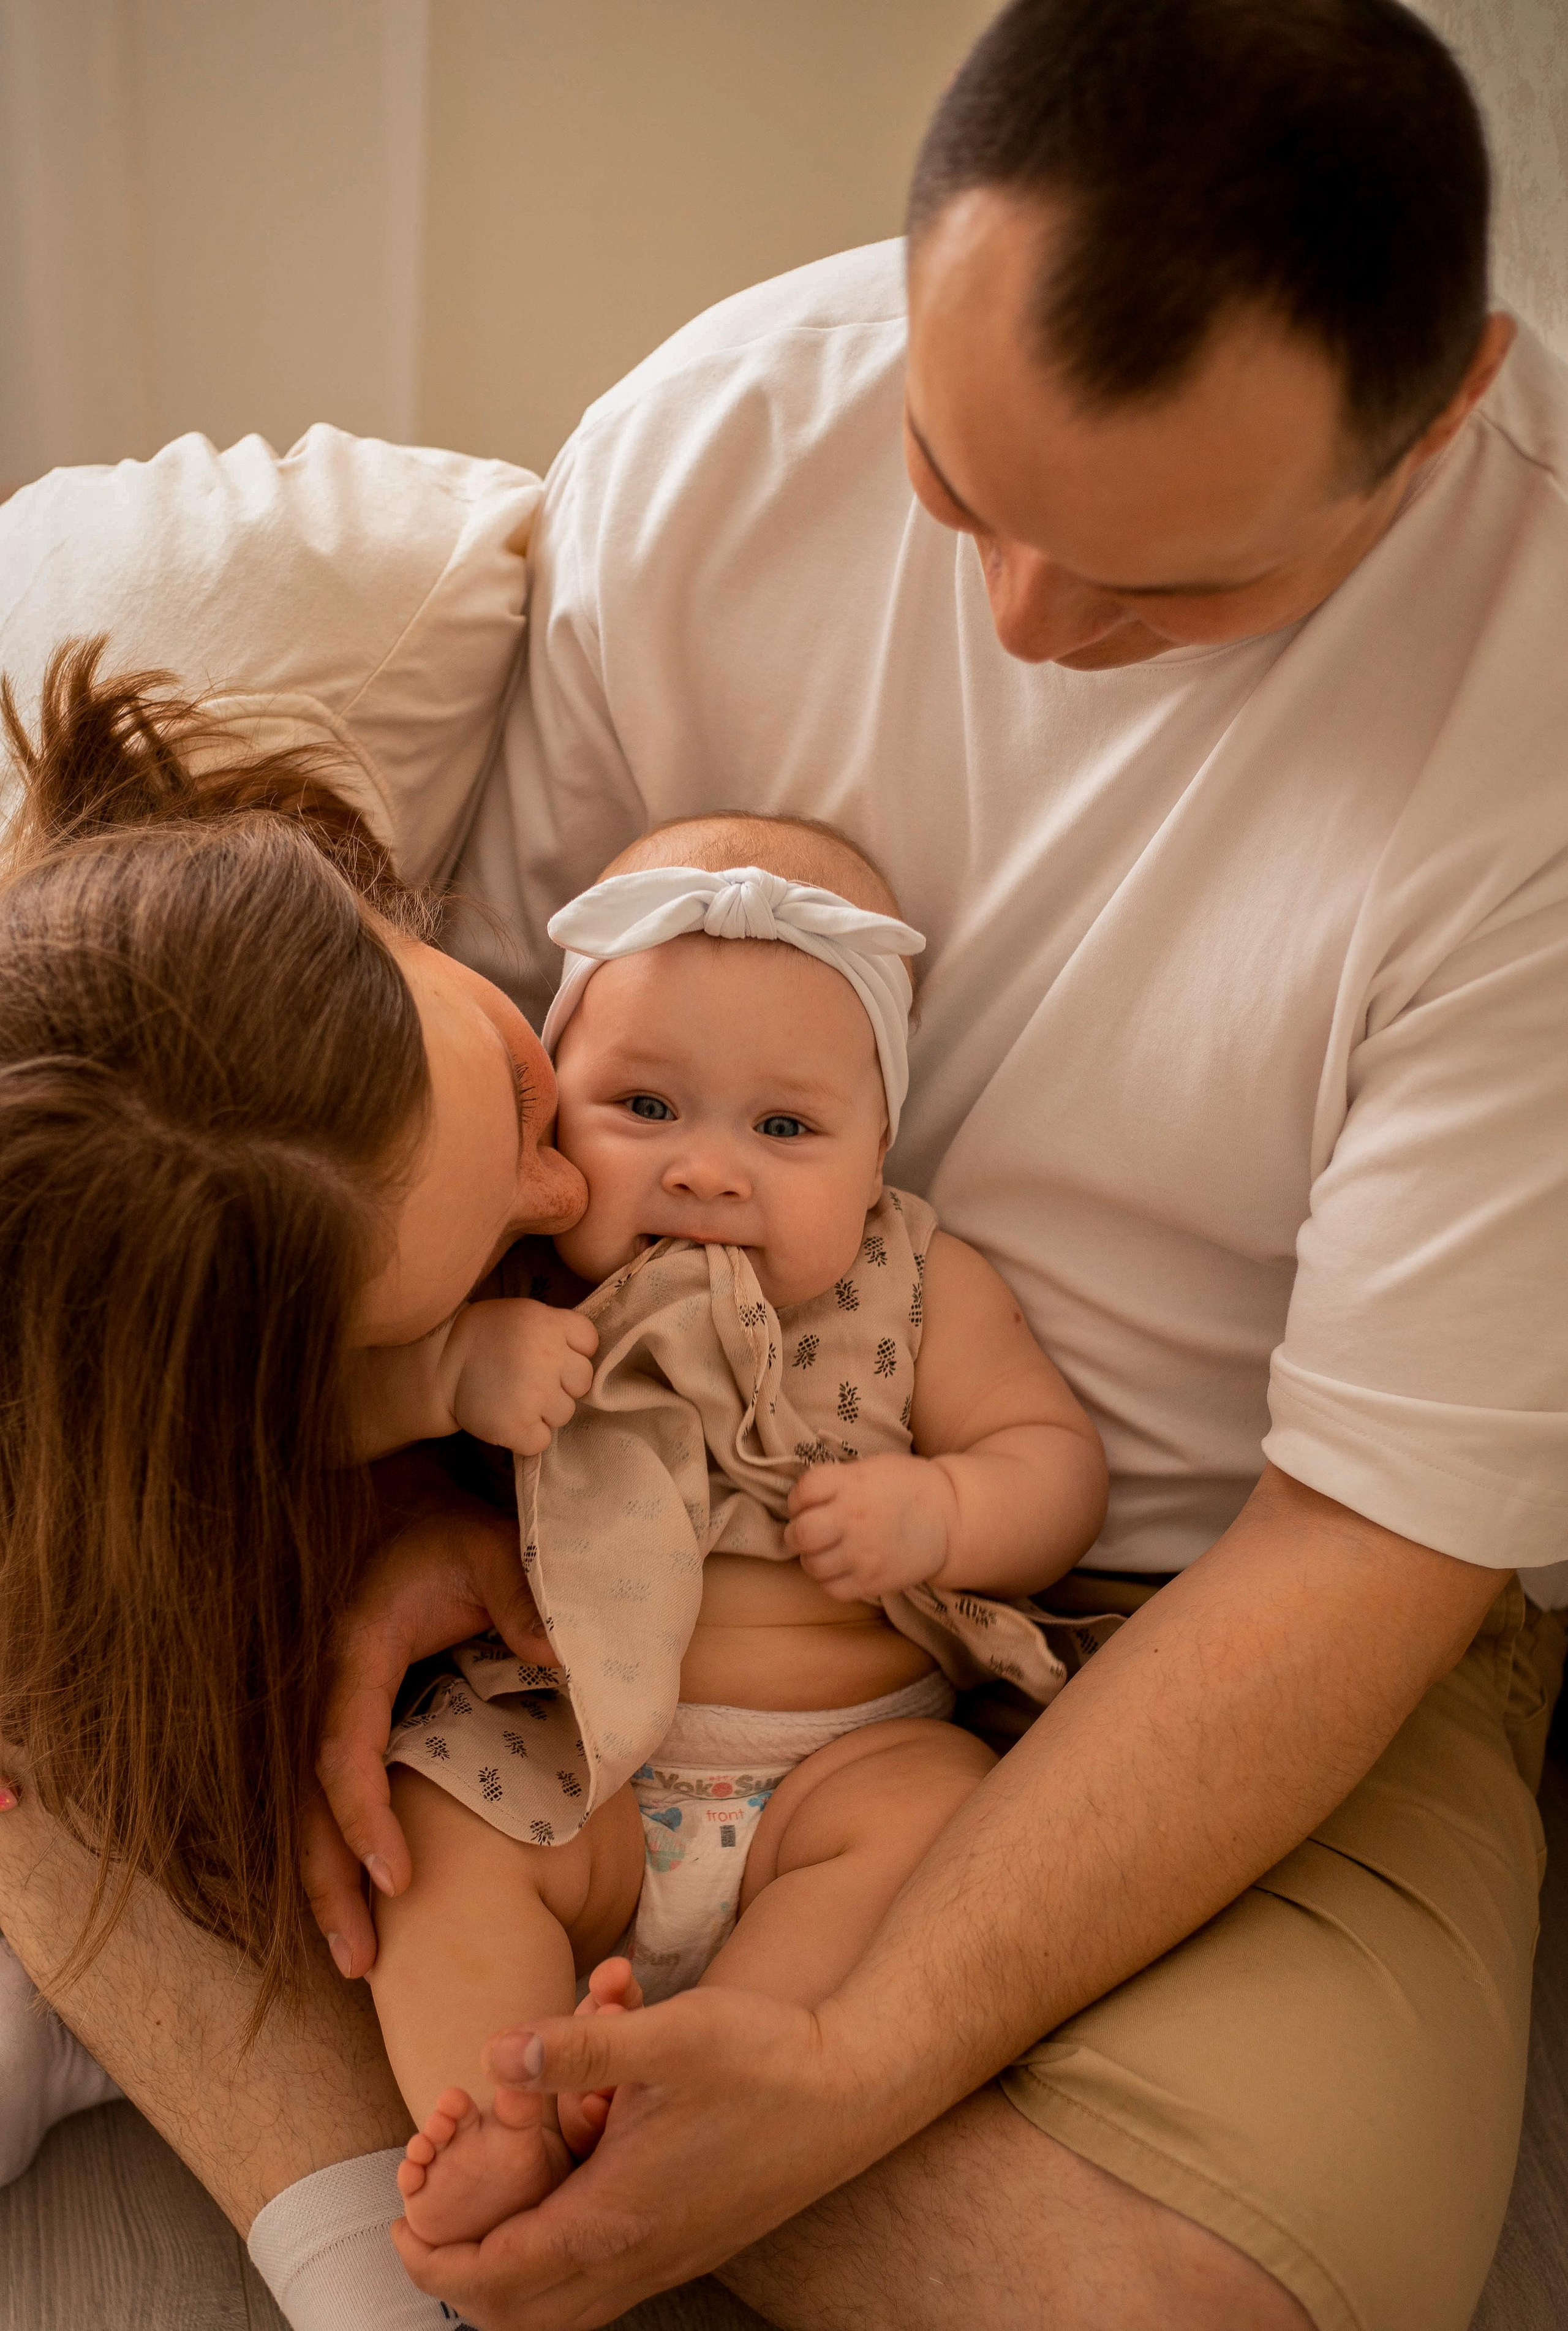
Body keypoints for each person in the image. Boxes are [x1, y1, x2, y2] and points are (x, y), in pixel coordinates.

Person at [2, 2, 1566, 2329]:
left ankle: (520, 2139)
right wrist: (437, 1510)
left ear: (1442, 414)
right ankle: (386, 2232)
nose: (1030, 624)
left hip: (1205, 1588)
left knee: (1160, 2301)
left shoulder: (1535, 735)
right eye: (960, 492)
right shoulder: (722, 438)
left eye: (1170, 593)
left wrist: (854, 2050)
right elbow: (503, 1121)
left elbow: (1367, 1547)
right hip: (597, 1505)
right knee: (53, 1630)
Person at [365, 812, 1103, 2245]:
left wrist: (945, 1509)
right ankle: (501, 2098)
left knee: (938, 1820)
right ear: (549, 1116)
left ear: (876, 1141)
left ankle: (703, 2093)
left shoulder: (915, 1278)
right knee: (429, 1828)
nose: (706, 1171)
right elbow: (330, 1400)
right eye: (643, 1107)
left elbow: (1054, 1465)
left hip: (834, 1764)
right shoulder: (520, 1268)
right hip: (571, 1759)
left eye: (782, 1128)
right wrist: (447, 1373)